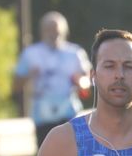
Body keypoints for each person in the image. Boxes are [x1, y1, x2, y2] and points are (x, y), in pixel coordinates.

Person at [14, 11, 93, 146]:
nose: (53, 34)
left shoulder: (75, 53)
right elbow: (16, 85)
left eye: (57, 31)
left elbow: (89, 80)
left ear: (64, 32)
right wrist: (29, 76)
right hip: (42, 116)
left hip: (69, 113)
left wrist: (80, 82)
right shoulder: (31, 53)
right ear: (42, 31)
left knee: (71, 155)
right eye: (49, 30)